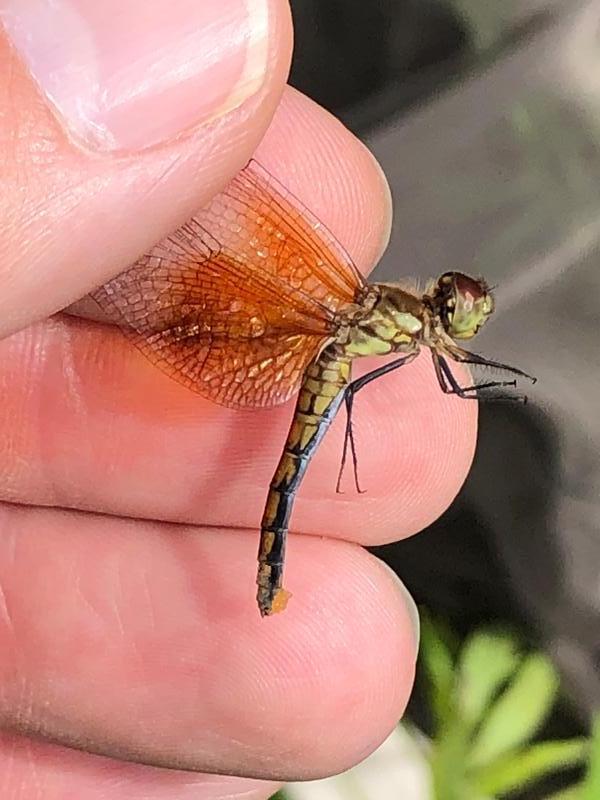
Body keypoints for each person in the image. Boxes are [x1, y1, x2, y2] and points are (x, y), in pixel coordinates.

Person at [0, 1, 476, 796]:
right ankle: (269, 577)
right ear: (437, 310)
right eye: (459, 309)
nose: (460, 320)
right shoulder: (389, 319)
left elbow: (423, 377)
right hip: (313, 347)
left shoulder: (417, 339)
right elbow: (365, 390)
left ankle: (268, 579)